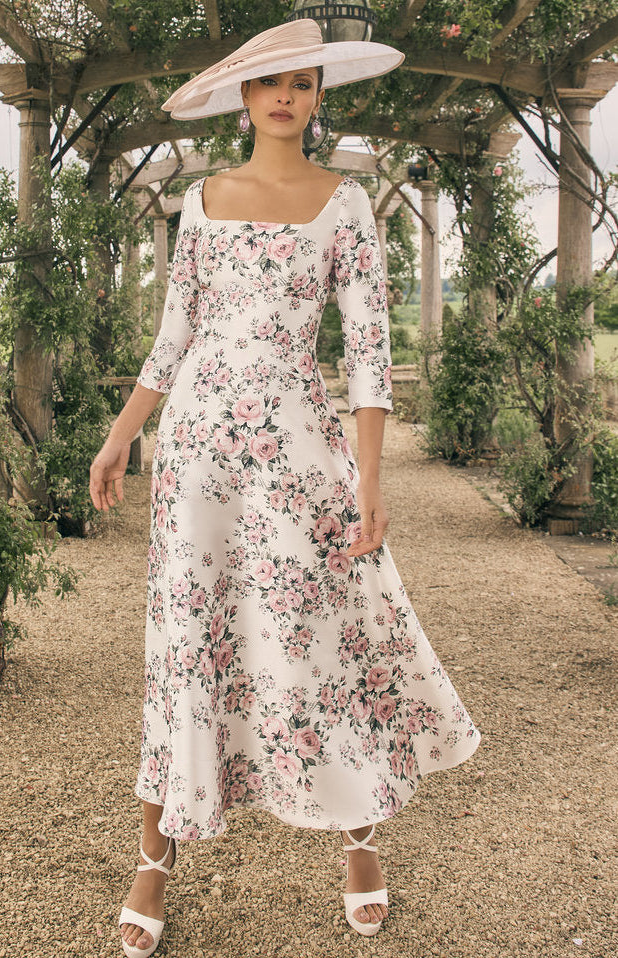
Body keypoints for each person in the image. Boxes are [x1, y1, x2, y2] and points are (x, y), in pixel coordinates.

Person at [89, 18, 481, 957]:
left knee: (325, 628)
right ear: (242, 96)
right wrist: (117, 442)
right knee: (187, 638)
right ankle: (156, 853)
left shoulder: (347, 205)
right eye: (269, 83)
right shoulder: (199, 201)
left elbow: (372, 360)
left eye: (301, 84)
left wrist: (372, 481)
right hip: (196, 455)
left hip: (301, 451)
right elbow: (171, 339)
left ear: (315, 96)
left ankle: (360, 832)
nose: (283, 98)